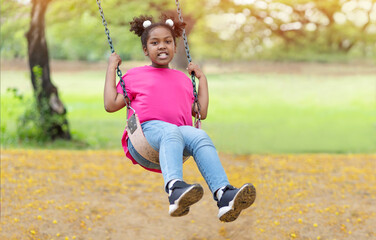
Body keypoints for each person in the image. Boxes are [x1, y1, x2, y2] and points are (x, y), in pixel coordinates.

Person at [103, 14, 256, 222]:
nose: (162, 46)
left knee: (198, 135)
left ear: (175, 47)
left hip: (175, 138)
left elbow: (200, 112)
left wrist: (202, 79)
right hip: (144, 136)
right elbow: (111, 104)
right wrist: (112, 67)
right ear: (145, 50)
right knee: (171, 130)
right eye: (154, 43)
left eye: (167, 41)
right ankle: (175, 189)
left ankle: (224, 195)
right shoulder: (135, 76)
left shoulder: (183, 79)